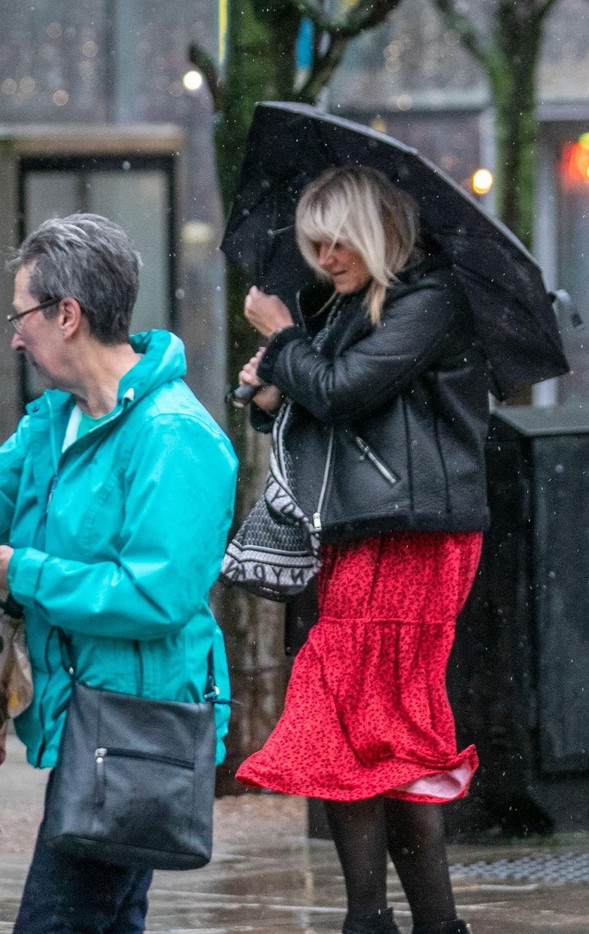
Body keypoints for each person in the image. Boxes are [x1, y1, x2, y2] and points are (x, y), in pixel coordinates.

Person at [0, 213, 238, 934]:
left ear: (68, 315)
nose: (14, 334)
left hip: (135, 733)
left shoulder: (178, 438)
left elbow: (155, 595)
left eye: (22, 313)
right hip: (92, 727)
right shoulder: (52, 422)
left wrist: (25, 572)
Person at [233, 166, 487, 934]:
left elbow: (345, 391)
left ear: (378, 232)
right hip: (364, 532)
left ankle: (370, 921)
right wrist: (276, 389)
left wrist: (283, 342)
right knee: (373, 732)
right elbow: (325, 405)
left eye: (338, 239)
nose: (325, 256)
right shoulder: (348, 307)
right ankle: (415, 925)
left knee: (356, 714)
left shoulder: (431, 301)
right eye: (314, 243)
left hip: (416, 536)